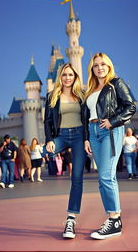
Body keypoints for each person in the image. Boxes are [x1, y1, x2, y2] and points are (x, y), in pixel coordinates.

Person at [83, 52, 136, 240]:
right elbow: (85, 115)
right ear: (92, 68)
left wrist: (113, 121)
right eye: (96, 65)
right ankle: (114, 218)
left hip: (110, 130)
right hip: (93, 132)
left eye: (103, 64)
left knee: (106, 175)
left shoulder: (116, 83)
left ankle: (114, 219)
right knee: (104, 177)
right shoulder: (89, 89)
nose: (100, 68)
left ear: (109, 66)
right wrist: (86, 137)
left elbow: (131, 106)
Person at [44, 62, 86, 239]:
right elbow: (47, 121)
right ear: (59, 77)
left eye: (71, 75)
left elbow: (88, 117)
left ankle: (71, 219)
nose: (67, 78)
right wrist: (49, 140)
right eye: (64, 75)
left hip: (78, 136)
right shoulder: (52, 96)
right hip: (60, 135)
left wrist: (86, 140)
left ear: (75, 76)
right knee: (44, 153)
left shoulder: (82, 95)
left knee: (76, 177)